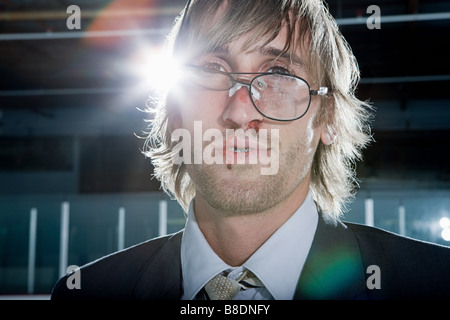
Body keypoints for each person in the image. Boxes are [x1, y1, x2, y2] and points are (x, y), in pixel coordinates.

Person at [51, 0, 450, 300]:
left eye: (277, 74)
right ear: (174, 113)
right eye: (211, 69)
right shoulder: (89, 293)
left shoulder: (434, 284)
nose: (240, 111)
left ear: (326, 117)